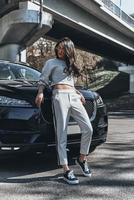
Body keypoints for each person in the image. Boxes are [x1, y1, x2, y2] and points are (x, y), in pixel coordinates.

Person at [35, 37, 93, 185]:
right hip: (59, 96)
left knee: (88, 128)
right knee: (62, 133)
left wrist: (78, 93)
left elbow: (71, 83)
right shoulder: (51, 63)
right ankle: (66, 169)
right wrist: (40, 92)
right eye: (58, 48)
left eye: (62, 48)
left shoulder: (71, 65)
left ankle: (82, 158)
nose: (59, 51)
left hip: (73, 96)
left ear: (69, 50)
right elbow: (43, 79)